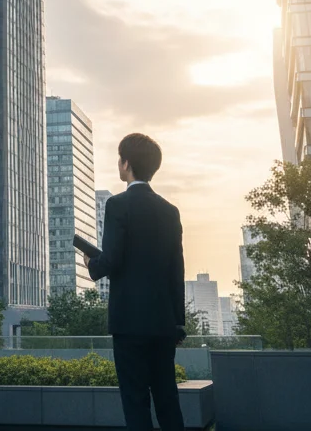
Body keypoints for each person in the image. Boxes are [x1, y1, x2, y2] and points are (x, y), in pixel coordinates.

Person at [83, 132, 185, 431]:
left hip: (129, 323)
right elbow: (175, 271)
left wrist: (92, 265)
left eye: (119, 158)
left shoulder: (117, 205)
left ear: (126, 164)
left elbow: (112, 259)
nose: (118, 163)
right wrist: (178, 322)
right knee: (168, 398)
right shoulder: (170, 211)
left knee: (135, 400)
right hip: (164, 323)